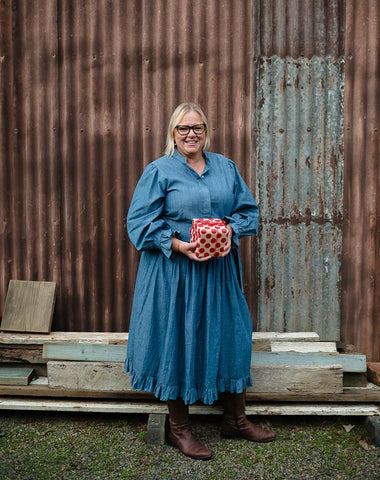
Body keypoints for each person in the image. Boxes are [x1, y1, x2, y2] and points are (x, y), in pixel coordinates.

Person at [125, 102, 275, 460]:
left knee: (231, 334)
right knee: (177, 337)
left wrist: (228, 233)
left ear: (206, 131)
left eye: (198, 128)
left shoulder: (225, 167)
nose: (191, 134)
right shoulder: (159, 171)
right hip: (175, 274)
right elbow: (138, 224)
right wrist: (177, 244)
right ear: (173, 134)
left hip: (219, 270)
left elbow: (248, 212)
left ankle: (235, 420)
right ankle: (180, 430)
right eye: (183, 129)